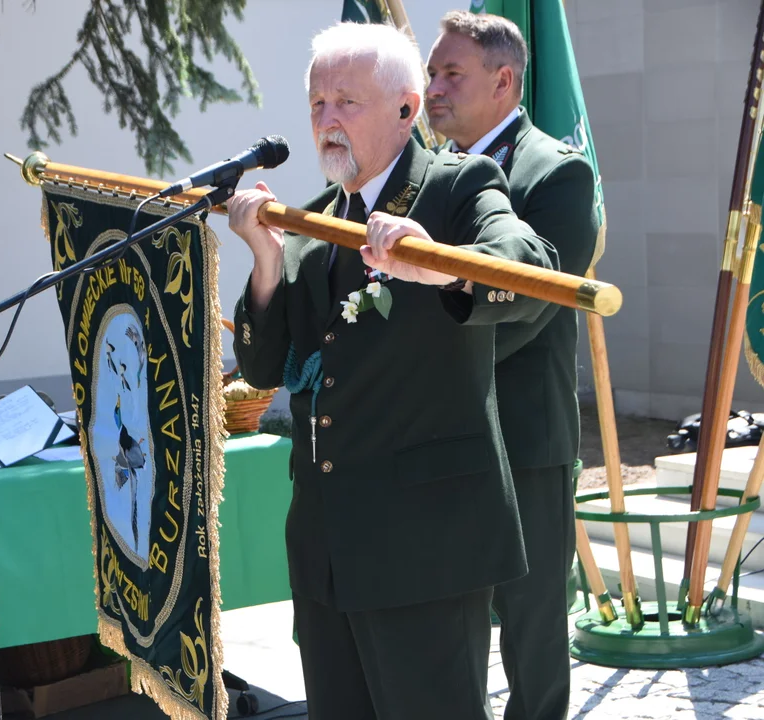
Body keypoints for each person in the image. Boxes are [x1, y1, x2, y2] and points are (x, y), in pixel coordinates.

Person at [227, 21, 559, 720]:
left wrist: (437, 265)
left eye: (346, 101)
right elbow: (260, 366)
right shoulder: (316, 222)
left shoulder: (456, 186)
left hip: (425, 544)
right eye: (317, 104)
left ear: (407, 109)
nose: (327, 121)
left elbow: (530, 269)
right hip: (327, 548)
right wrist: (264, 259)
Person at [426, 12, 600, 720]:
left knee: (530, 629)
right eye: (431, 72)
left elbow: (534, 307)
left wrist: (414, 366)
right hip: (433, 430)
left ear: (504, 80)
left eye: (450, 74)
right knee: (443, 614)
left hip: (522, 434)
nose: (432, 88)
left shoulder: (555, 172)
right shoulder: (427, 173)